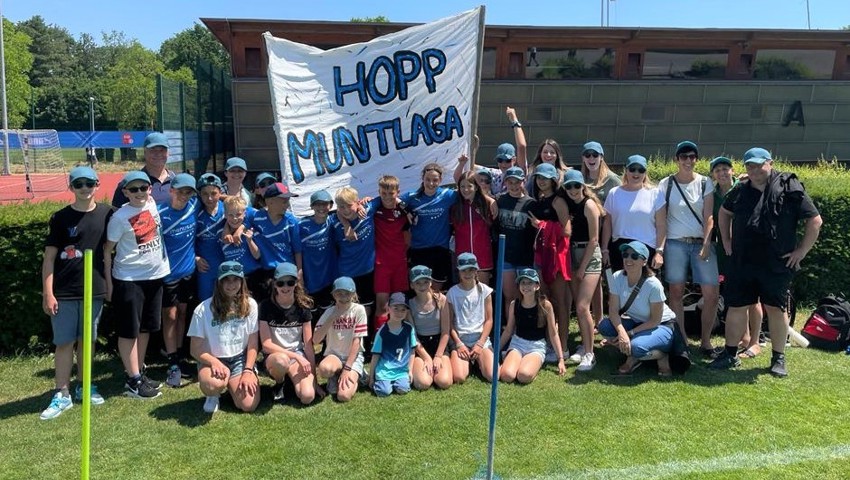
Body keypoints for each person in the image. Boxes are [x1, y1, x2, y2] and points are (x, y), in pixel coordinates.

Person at [710, 147, 822, 377]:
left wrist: (801, 251)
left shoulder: (789, 186)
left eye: (758, 164)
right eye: (749, 165)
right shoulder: (740, 190)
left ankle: (778, 358)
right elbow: (723, 213)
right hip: (743, 260)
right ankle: (730, 354)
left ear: (769, 163)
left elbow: (815, 220)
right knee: (737, 306)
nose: (754, 169)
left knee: (775, 308)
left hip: (777, 262)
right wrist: (727, 242)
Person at [40, 167, 113, 420]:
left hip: (94, 290)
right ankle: (62, 392)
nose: (84, 188)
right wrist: (48, 293)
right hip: (65, 292)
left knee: (87, 341)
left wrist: (109, 285)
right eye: (79, 184)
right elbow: (49, 259)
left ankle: (85, 385)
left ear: (97, 184)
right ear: (71, 187)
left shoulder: (107, 213)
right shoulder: (60, 218)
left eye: (89, 183)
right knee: (64, 343)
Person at [105, 171, 171, 399]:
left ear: (150, 190)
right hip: (129, 279)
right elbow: (107, 251)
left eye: (143, 188)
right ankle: (132, 381)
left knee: (145, 329)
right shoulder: (120, 217)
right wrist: (109, 283)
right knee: (129, 331)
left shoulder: (151, 203)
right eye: (134, 190)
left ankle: (139, 372)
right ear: (125, 193)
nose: (140, 193)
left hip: (155, 276)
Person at [655, 141, 719, 357]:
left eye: (692, 156)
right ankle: (681, 339)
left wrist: (707, 242)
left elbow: (709, 216)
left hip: (701, 242)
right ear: (677, 159)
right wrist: (660, 249)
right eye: (684, 156)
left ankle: (706, 342)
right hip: (675, 243)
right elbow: (661, 219)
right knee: (675, 292)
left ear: (696, 159)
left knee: (711, 292)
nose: (688, 160)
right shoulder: (666, 184)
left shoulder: (705, 182)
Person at [709, 156, 764, 358]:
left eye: (725, 169)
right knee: (737, 296)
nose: (722, 173)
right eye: (717, 170)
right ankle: (745, 338)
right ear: (713, 175)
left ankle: (756, 342)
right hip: (725, 251)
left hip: (747, 248)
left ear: (732, 171)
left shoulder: (744, 186)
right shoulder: (712, 195)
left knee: (753, 297)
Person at [188, 261, 260, 413]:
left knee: (248, 405)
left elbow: (253, 344)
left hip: (239, 359)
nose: (231, 284)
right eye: (226, 280)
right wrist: (215, 362)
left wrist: (248, 370)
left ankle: (236, 382)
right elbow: (195, 350)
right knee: (212, 384)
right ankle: (213, 395)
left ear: (242, 281)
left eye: (235, 279)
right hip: (213, 359)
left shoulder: (251, 305)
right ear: (219, 282)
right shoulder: (203, 309)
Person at [598, 241, 677, 377]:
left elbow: (655, 321)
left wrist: (628, 334)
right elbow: (613, 311)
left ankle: (661, 355)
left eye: (635, 256)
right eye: (626, 254)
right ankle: (631, 351)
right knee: (604, 326)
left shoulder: (654, 285)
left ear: (644, 262)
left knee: (635, 346)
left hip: (662, 326)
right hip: (638, 323)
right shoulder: (616, 277)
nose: (628, 259)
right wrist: (621, 332)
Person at [157, 173, 199, 387]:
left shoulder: (194, 206)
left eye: (188, 191)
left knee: (182, 313)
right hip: (168, 274)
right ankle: (172, 361)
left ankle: (180, 356)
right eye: (180, 190)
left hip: (189, 272)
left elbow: (218, 198)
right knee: (170, 316)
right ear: (171, 190)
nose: (184, 195)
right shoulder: (160, 213)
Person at [560, 170, 604, 371]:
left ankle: (590, 354)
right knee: (579, 306)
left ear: (583, 186)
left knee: (582, 306)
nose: (573, 190)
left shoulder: (589, 205)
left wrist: (582, 267)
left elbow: (594, 239)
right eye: (569, 186)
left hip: (589, 256)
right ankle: (584, 345)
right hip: (573, 254)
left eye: (576, 186)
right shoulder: (567, 204)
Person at [259, 262, 319, 405]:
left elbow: (309, 345)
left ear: (296, 284)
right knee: (281, 360)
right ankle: (280, 383)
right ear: (274, 284)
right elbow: (266, 345)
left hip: (297, 355)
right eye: (281, 283)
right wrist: (297, 357)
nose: (285, 287)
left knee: (307, 397)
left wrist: (315, 381)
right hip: (275, 357)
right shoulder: (265, 306)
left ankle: (292, 382)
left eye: (290, 282)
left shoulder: (303, 308)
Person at [528, 163, 571, 359]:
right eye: (539, 177)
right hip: (541, 257)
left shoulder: (558, 201)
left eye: (545, 178)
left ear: (553, 180)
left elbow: (567, 230)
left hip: (557, 259)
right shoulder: (539, 200)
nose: (541, 181)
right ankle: (548, 343)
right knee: (545, 301)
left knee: (560, 302)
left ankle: (563, 346)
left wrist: (542, 225)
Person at [498, 269, 566, 384]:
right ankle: (514, 360)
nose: (526, 286)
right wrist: (496, 350)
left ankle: (530, 366)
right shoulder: (514, 304)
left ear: (537, 286)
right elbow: (509, 330)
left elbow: (553, 333)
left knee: (523, 376)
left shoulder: (545, 305)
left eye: (530, 283)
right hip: (517, 343)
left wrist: (561, 359)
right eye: (523, 283)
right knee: (507, 376)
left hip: (536, 346)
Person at [580, 141, 621, 326]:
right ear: (583, 158)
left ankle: (613, 321)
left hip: (609, 238)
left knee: (611, 282)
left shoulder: (612, 180)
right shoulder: (580, 180)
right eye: (587, 155)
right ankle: (598, 322)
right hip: (588, 238)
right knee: (594, 281)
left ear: (601, 157)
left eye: (595, 155)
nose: (591, 158)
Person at [401, 163, 458, 291]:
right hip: (418, 250)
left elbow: (468, 192)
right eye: (428, 179)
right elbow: (390, 200)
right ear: (422, 178)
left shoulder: (447, 195)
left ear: (441, 180)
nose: (431, 183)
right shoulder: (412, 197)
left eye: (435, 180)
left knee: (437, 293)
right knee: (421, 292)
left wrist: (490, 200)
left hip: (440, 250)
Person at [601, 155, 662, 272]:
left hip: (646, 249)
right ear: (626, 171)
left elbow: (661, 225)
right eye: (632, 169)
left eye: (641, 170)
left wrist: (659, 252)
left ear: (645, 172)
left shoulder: (655, 194)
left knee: (645, 288)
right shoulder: (614, 193)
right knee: (619, 288)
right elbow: (607, 223)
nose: (636, 173)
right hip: (619, 249)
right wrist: (605, 250)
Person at [313, 277, 368, 402]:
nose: (343, 297)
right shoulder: (329, 312)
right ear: (333, 295)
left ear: (353, 294)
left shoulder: (359, 310)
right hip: (334, 356)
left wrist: (348, 368)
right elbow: (316, 340)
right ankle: (336, 375)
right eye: (339, 293)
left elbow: (357, 341)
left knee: (343, 396)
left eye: (347, 293)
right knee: (324, 369)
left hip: (353, 357)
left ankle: (359, 375)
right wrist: (332, 318)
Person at [495, 166, 537, 322]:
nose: (513, 185)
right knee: (510, 296)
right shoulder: (500, 200)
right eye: (510, 182)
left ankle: (525, 328)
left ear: (523, 182)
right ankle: (511, 331)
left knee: (526, 296)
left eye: (517, 182)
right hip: (506, 256)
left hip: (525, 257)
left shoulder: (531, 203)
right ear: (506, 182)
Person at [453, 107, 528, 195]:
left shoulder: (519, 172)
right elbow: (469, 167)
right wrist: (466, 157)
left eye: (507, 160)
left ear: (514, 160)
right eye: (500, 160)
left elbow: (522, 146)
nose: (503, 164)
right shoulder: (494, 175)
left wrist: (514, 120)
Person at [372, 175, 412, 331]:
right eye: (384, 193)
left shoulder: (404, 211)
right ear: (379, 192)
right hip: (382, 264)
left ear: (398, 192)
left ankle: (399, 338)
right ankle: (380, 342)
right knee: (382, 306)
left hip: (399, 263)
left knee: (399, 305)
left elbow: (409, 235)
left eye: (391, 193)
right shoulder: (374, 209)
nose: (387, 197)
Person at [447, 253, 495, 383]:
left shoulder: (485, 291)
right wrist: (458, 343)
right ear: (458, 271)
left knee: (492, 376)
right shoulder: (452, 293)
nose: (467, 273)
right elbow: (449, 323)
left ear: (476, 270)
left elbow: (489, 320)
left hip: (480, 339)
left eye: (471, 269)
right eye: (464, 270)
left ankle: (479, 360)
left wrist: (480, 343)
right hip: (460, 339)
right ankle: (470, 362)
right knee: (459, 377)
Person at [251, 182, 302, 303]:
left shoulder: (291, 221)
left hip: (288, 272)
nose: (287, 205)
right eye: (284, 201)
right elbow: (236, 210)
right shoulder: (256, 217)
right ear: (270, 202)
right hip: (267, 274)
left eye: (288, 201)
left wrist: (299, 273)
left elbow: (297, 250)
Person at [408, 265, 453, 390]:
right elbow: (413, 336)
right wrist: (426, 358)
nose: (422, 286)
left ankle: (438, 369)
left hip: (440, 344)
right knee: (423, 383)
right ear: (412, 285)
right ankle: (427, 370)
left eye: (426, 282)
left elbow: (445, 332)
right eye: (418, 283)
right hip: (421, 346)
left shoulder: (441, 300)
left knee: (444, 382)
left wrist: (438, 357)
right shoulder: (410, 305)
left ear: (431, 282)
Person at [451, 170, 496, 285]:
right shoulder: (455, 206)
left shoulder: (487, 205)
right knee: (465, 294)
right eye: (462, 186)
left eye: (469, 186)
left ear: (476, 187)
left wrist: (490, 200)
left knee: (482, 293)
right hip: (462, 257)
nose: (466, 189)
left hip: (482, 256)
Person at [369, 292, 418, 397]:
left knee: (403, 389)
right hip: (384, 371)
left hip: (401, 371)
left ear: (407, 312)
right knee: (384, 392)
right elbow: (376, 355)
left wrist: (409, 370)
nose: (399, 312)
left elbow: (412, 351)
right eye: (396, 308)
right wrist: (371, 377)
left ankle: (397, 383)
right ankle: (380, 383)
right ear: (389, 308)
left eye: (403, 310)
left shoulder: (409, 329)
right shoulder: (382, 331)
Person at [298, 190, 338, 317]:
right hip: (310, 280)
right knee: (311, 316)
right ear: (312, 206)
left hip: (328, 279)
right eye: (318, 204)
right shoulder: (301, 225)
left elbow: (351, 209)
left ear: (331, 206)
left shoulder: (333, 221)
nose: (321, 208)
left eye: (325, 204)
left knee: (328, 316)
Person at [112, 132, 175, 206]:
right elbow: (116, 212)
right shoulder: (130, 183)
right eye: (153, 150)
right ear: (145, 152)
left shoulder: (176, 180)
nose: (158, 154)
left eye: (162, 150)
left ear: (168, 153)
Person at [195, 173, 227, 301]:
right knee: (206, 305)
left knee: (227, 304)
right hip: (205, 268)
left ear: (220, 192)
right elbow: (186, 240)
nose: (209, 198)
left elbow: (245, 215)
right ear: (199, 194)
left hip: (227, 266)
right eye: (205, 194)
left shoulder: (228, 209)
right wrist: (195, 258)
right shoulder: (195, 213)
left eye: (213, 193)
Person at [220, 195, 261, 283]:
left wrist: (249, 241)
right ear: (225, 215)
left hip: (254, 275)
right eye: (231, 215)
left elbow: (257, 255)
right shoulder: (221, 233)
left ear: (244, 214)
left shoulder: (250, 230)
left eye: (238, 214)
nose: (235, 218)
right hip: (233, 278)